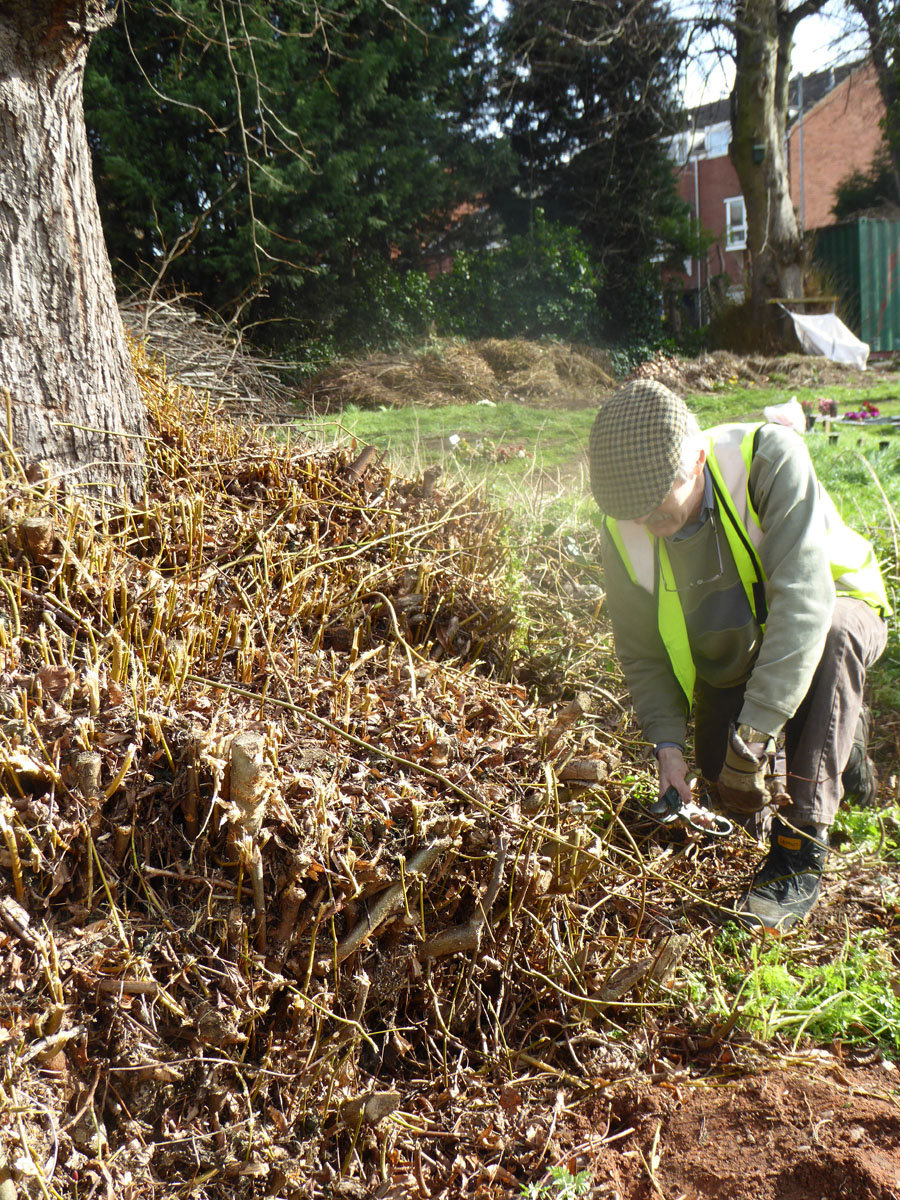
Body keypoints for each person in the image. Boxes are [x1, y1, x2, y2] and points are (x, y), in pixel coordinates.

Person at [589, 379, 891, 930]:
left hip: (835, 606)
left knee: (832, 641)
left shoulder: (769, 458)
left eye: (660, 508)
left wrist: (753, 737)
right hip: (741, 641)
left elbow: (803, 605)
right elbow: (642, 652)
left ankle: (800, 846)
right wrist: (667, 748)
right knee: (725, 784)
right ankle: (837, 738)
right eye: (637, 516)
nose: (648, 526)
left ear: (698, 459)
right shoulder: (624, 525)